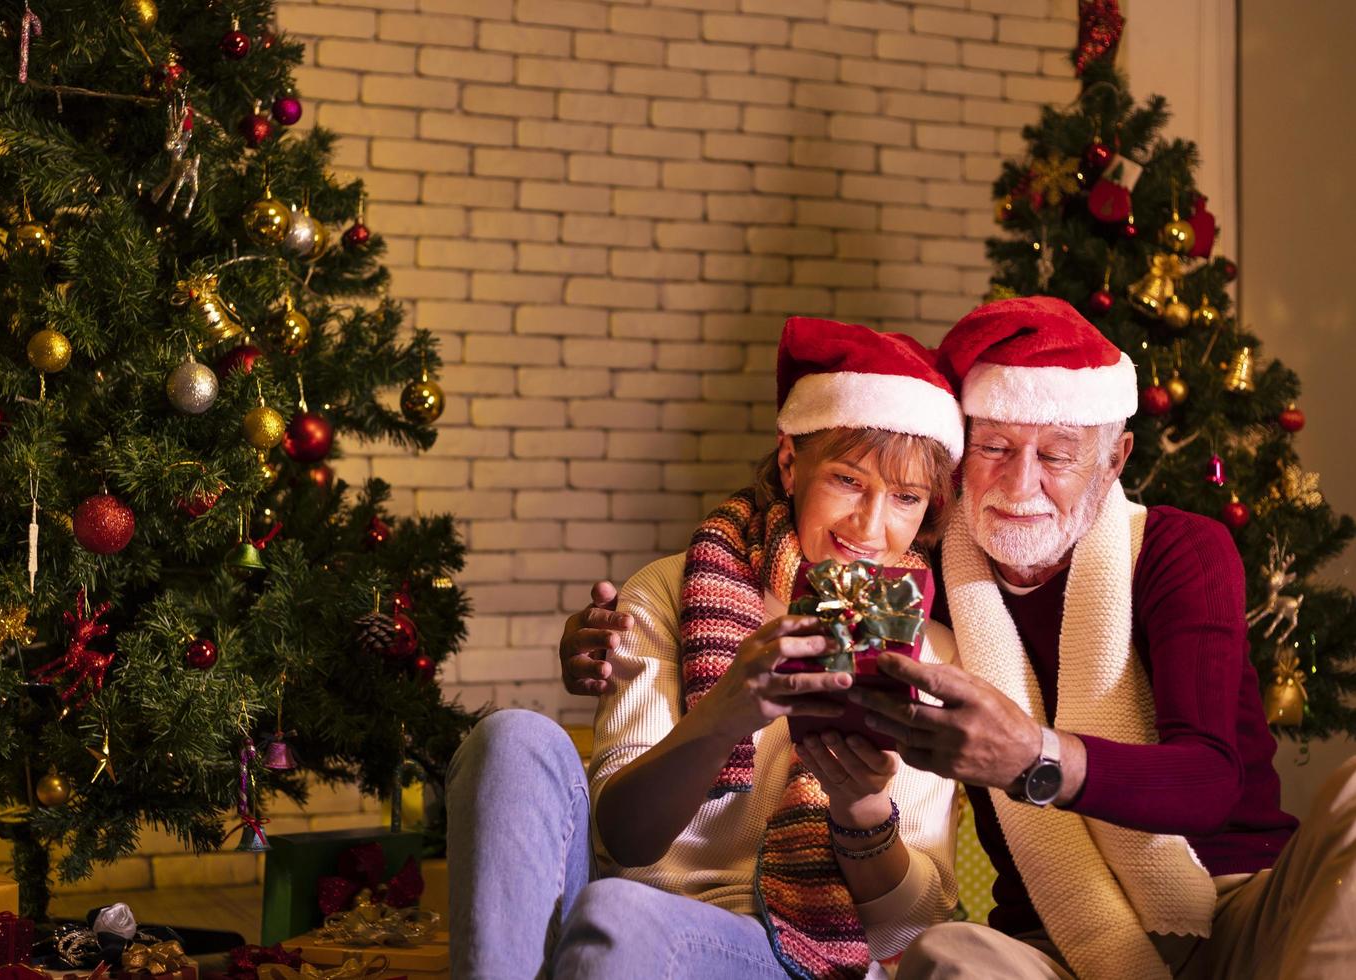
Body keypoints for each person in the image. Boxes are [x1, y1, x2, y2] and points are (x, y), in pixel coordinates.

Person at [560, 297, 1356, 979]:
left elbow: (1211, 783)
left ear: (1115, 459)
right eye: (996, 450)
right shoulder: (912, 576)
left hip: (1236, 904)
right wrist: (600, 634)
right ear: (957, 464)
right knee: (951, 958)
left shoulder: (1178, 548)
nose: (1019, 487)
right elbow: (775, 542)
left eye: (1056, 456)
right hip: (1050, 938)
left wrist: (1034, 759)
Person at [448, 317, 969, 978]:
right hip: (626, 914)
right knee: (513, 739)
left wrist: (863, 814)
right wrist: (722, 715)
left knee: (617, 918)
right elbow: (626, 841)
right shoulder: (670, 591)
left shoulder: (931, 653)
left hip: (787, 954)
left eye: (906, 498)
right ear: (790, 461)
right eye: (847, 480)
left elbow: (912, 927)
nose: (871, 525)